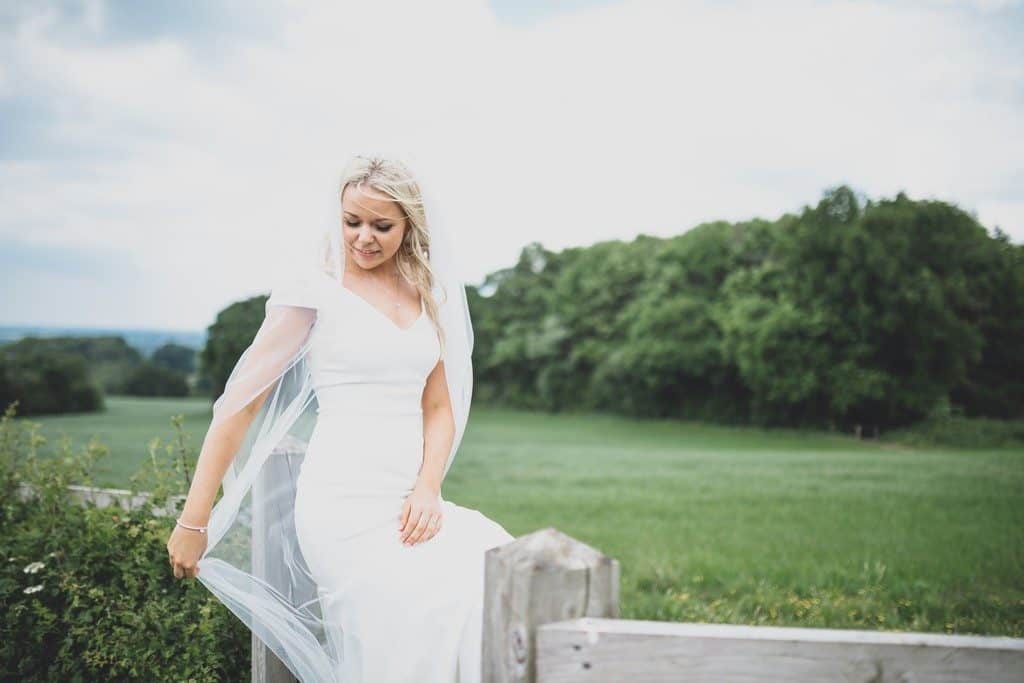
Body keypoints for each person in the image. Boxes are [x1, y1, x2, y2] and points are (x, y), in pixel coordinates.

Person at [165, 154, 515, 682]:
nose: (364, 238)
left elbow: (438, 408)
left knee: (499, 566)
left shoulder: (428, 292)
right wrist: (194, 520)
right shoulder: (314, 288)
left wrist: (427, 488)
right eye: (352, 221)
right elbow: (240, 404)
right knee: (421, 620)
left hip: (415, 503)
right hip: (344, 507)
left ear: (409, 225)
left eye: (382, 225)